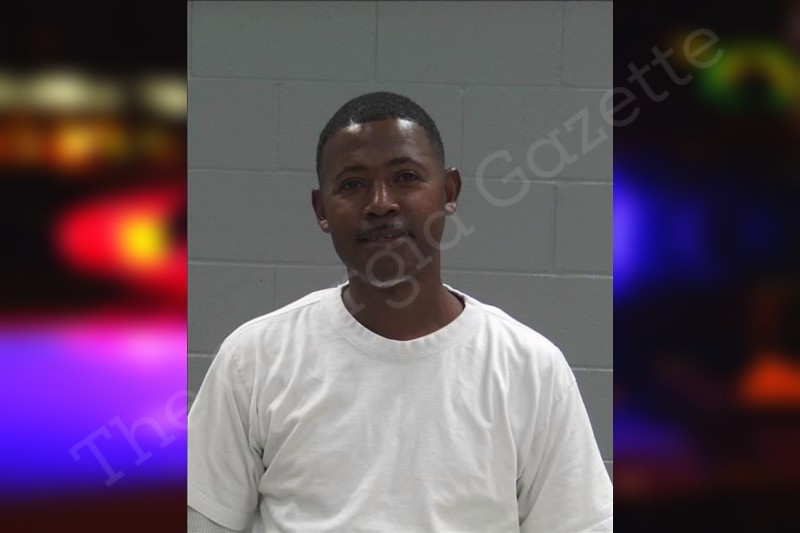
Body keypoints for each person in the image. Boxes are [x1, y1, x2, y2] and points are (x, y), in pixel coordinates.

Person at [187, 92, 612, 532]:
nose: (380, 203)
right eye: (352, 184)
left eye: (406, 177)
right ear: (321, 210)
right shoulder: (254, 359)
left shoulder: (530, 368)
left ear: (448, 192)